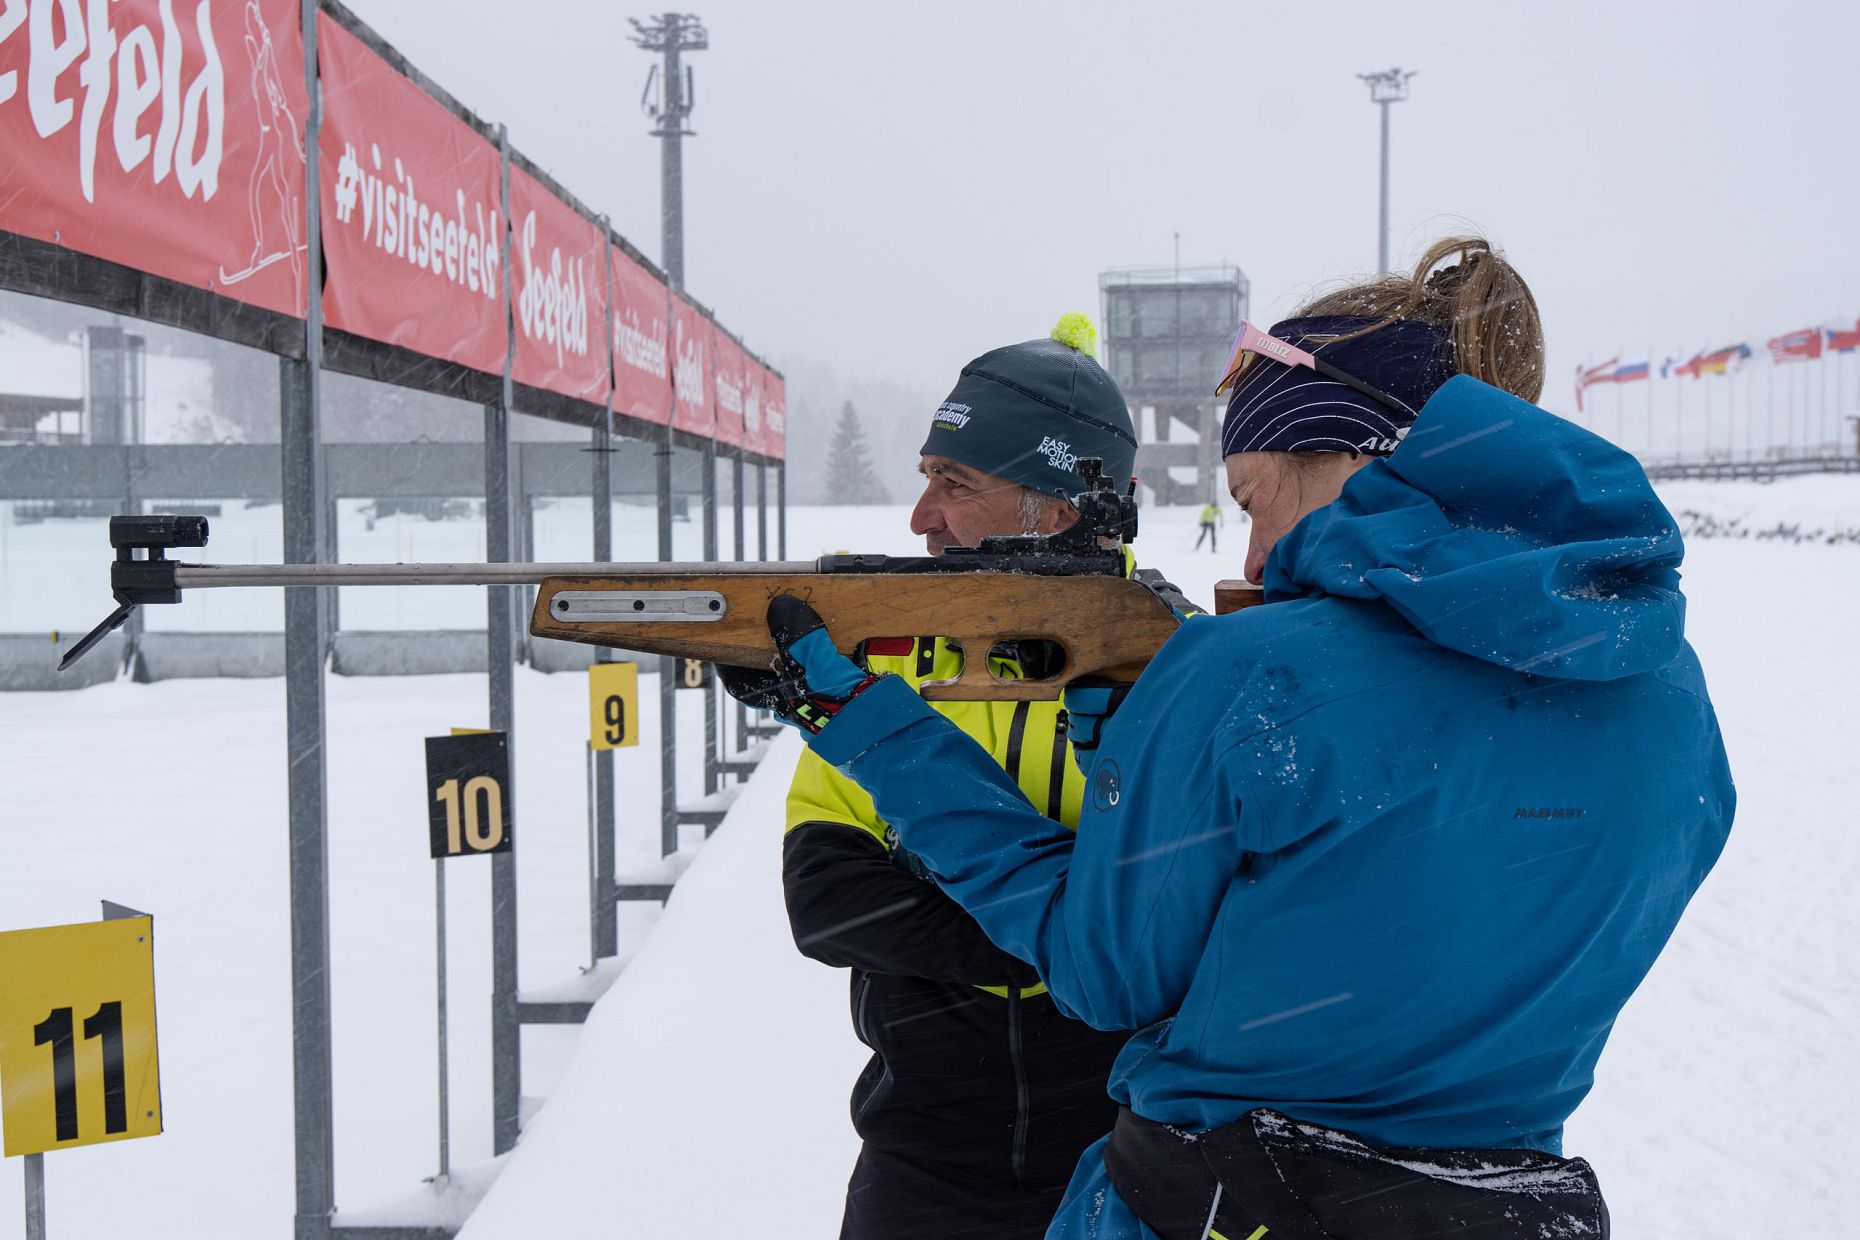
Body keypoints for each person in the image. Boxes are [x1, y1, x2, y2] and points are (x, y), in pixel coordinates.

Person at [727, 238, 1734, 1239]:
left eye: (1254, 498)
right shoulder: (1671, 699)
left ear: (1350, 451)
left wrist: (868, 727)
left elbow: (1109, 970)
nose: (1251, 552)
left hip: (1217, 1203)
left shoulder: (1249, 673)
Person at [767, 315, 1143, 1239]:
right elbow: (827, 899)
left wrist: (958, 903)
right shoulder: (884, 674)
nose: (919, 518)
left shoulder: (1161, 666)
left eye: (955, 484)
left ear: (1057, 510)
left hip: (1134, 1157)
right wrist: (1060, 938)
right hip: (920, 1155)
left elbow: (1178, 920)